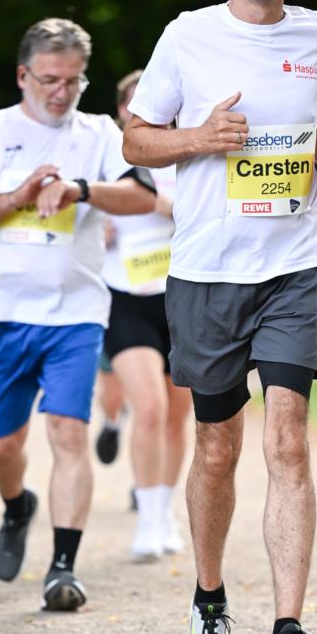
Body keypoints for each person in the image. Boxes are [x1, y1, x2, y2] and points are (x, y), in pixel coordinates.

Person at [123, 0, 317, 634]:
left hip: (293, 267)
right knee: (216, 448)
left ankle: (289, 631)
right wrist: (199, 138)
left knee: (286, 439)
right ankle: (209, 599)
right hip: (207, 274)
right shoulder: (188, 37)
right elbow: (136, 137)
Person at [0, 18, 155, 611]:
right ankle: (16, 507)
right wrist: (15, 197)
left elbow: (142, 196)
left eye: (75, 82)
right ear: (23, 76)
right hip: (3, 314)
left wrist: (82, 189)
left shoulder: (101, 132)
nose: (62, 93)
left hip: (76, 313)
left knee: (68, 433)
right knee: (5, 449)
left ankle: (63, 568)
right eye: (50, 80)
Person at [102, 70, 192, 562]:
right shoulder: (107, 157)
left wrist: (152, 202)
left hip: (182, 297)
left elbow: (198, 213)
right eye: (133, 104)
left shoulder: (186, 155)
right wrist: (95, 231)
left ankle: (164, 511)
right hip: (126, 297)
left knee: (179, 416)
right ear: (122, 113)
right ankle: (146, 516)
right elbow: (83, 210)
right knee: (150, 408)